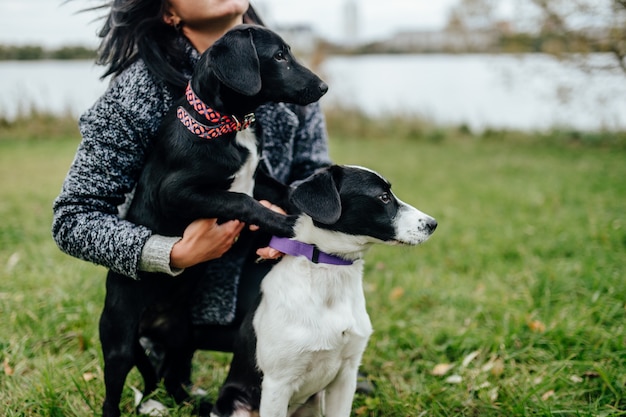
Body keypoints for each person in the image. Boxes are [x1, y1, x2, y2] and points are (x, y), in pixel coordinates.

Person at [52, 0, 330, 335]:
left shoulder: (285, 67)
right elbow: (74, 217)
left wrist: (280, 213)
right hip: (174, 301)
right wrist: (170, 253)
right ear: (168, 12)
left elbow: (313, 171)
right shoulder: (133, 96)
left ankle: (322, 362)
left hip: (267, 263)